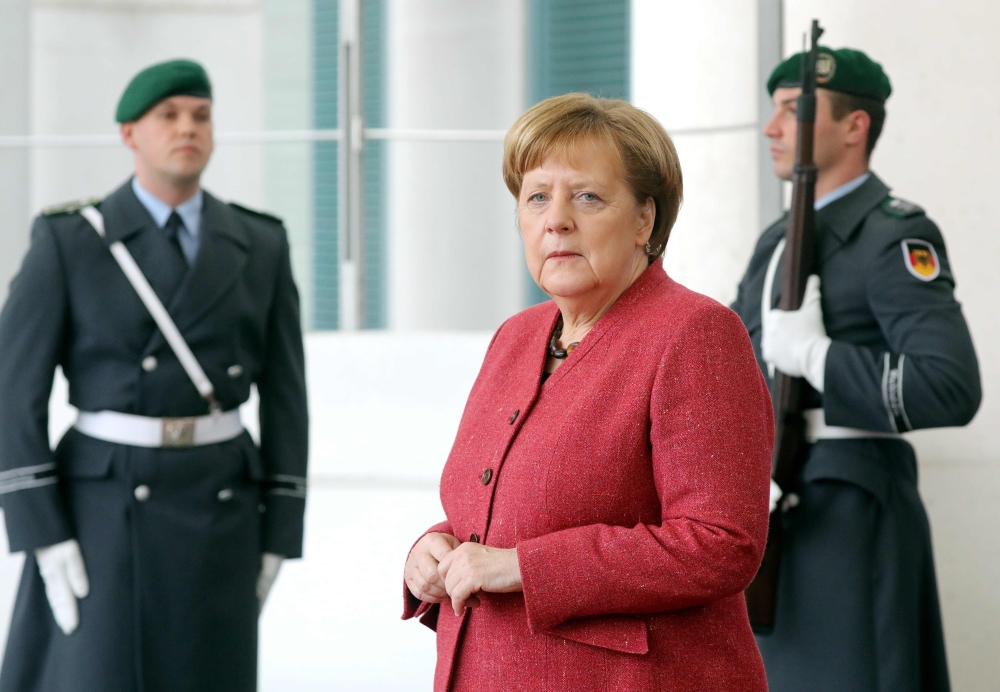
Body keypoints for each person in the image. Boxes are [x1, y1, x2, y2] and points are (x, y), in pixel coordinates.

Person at [402, 93, 774, 690]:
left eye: (587, 197)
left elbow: (720, 543)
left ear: (645, 220)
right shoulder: (516, 336)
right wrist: (436, 546)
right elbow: (512, 506)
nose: (556, 220)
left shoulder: (695, 333)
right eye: (536, 197)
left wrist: (524, 567)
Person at [0, 59, 308, 692]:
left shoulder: (261, 243)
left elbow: (286, 397)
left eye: (201, 115)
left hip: (221, 508)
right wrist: (40, 529)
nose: (187, 127)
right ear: (129, 133)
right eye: (167, 115)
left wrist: (281, 527)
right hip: (101, 515)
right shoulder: (71, 240)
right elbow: (13, 392)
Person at [731, 46, 981, 691]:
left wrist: (820, 357)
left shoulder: (891, 236)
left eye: (793, 111)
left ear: (854, 126)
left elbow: (949, 386)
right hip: (769, 508)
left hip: (851, 508)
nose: (772, 128)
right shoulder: (776, 240)